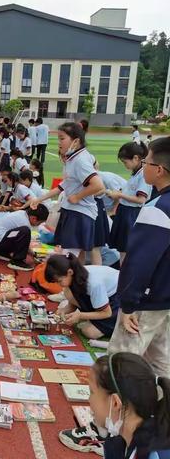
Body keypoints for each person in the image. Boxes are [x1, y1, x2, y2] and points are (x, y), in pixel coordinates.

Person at [108, 136, 170, 378]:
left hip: (147, 300)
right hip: (165, 300)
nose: (143, 166)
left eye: (146, 161)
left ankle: (122, 415)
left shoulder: (157, 209)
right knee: (161, 364)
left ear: (160, 170)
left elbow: (139, 262)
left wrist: (128, 304)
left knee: (122, 365)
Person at [59, 353, 170, 457]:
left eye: (92, 392)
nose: (89, 399)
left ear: (115, 403)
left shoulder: (156, 453)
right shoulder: (118, 445)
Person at [31, 122, 103, 260]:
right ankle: (77, 280)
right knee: (76, 256)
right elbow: (62, 186)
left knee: (69, 257)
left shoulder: (79, 160)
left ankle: (73, 280)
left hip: (79, 213)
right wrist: (38, 199)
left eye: (62, 138)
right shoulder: (74, 158)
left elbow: (98, 185)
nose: (58, 143)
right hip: (75, 211)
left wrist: (77, 197)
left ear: (75, 141)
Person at [45, 253, 119, 338]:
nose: (59, 284)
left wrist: (80, 315)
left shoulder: (93, 284)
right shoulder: (76, 275)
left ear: (70, 272)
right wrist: (64, 310)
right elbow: (74, 302)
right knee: (67, 291)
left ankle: (116, 324)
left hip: (118, 297)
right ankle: (92, 317)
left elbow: (106, 313)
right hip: (104, 295)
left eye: (59, 281)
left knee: (89, 332)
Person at [108, 142, 151, 263]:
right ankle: (123, 276)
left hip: (131, 214)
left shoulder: (143, 174)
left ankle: (125, 277)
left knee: (127, 250)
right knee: (123, 250)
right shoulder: (136, 173)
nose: (125, 165)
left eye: (125, 162)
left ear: (136, 158)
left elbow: (141, 200)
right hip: (125, 212)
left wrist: (120, 195)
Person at [0, 205, 49, 271]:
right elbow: (24, 243)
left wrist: (34, 255)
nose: (39, 225)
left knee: (23, 233)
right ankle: (17, 262)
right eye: (39, 223)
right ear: (33, 218)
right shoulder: (24, 223)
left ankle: (1, 253)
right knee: (25, 231)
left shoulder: (22, 213)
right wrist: (33, 255)